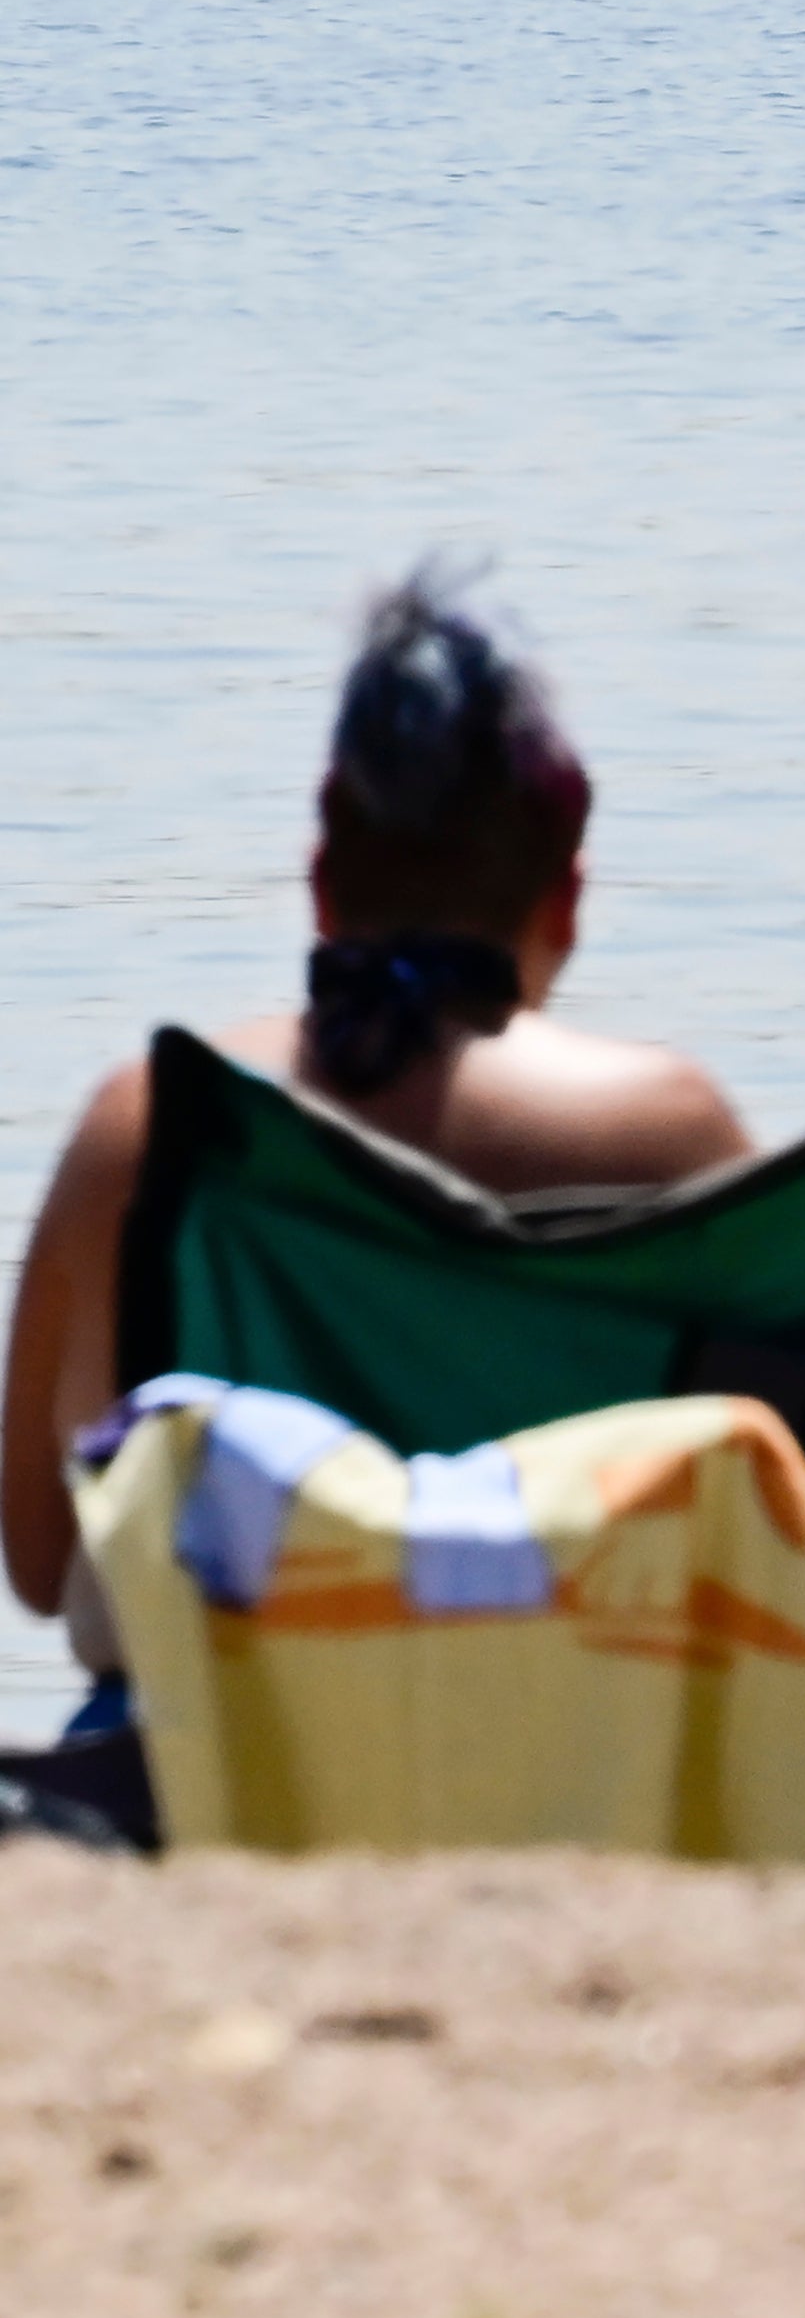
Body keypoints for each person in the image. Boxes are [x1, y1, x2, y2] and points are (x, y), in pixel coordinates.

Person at [6, 577, 752, 1634]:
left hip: (215, 1786)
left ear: (320, 882)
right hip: (586, 1782)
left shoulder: (153, 1128)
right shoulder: (674, 1137)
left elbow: (40, 1560)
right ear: (567, 900)